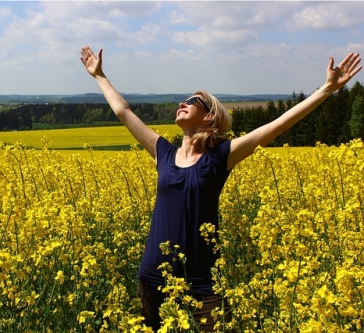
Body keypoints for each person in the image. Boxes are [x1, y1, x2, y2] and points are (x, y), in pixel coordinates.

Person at [80, 46, 361, 331]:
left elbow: (276, 125)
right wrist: (99, 75)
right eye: (184, 99)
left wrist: (327, 89)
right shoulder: (162, 152)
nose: (183, 102)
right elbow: (123, 110)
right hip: (154, 278)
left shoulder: (220, 157)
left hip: (203, 283)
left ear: (209, 117)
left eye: (193, 100)